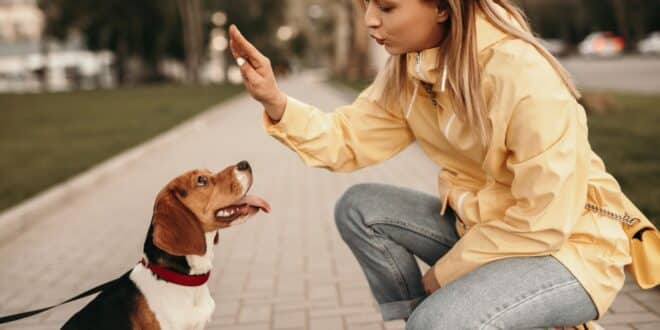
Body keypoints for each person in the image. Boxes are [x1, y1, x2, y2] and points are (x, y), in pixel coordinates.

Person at [227, 0, 634, 328]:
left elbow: (542, 222)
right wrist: (275, 102)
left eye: (386, 8)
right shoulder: (412, 69)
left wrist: (442, 277)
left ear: (442, 7)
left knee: (437, 322)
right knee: (359, 209)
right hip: (486, 229)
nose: (370, 21)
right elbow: (345, 140)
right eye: (366, 5)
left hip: (568, 249)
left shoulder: (523, 76)